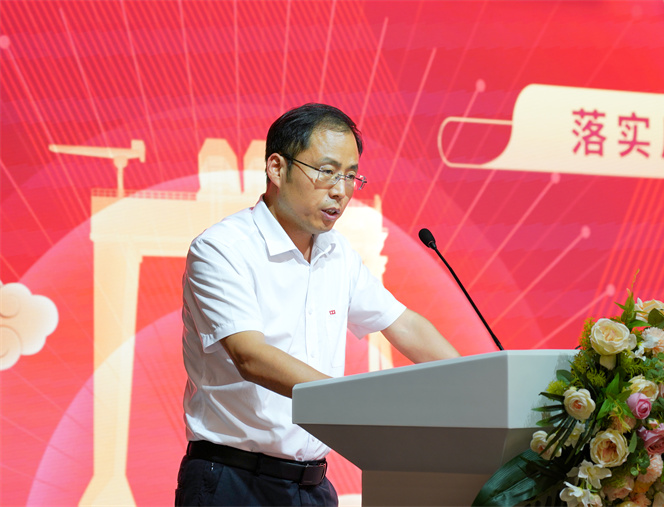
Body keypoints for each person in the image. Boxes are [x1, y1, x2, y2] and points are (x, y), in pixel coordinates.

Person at [175, 103, 460, 506]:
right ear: (277, 168)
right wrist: (351, 404)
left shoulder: (336, 252)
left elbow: (403, 324)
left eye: (350, 175)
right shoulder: (222, 248)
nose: (341, 190)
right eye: (326, 171)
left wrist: (479, 385)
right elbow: (250, 356)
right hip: (232, 482)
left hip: (312, 486)